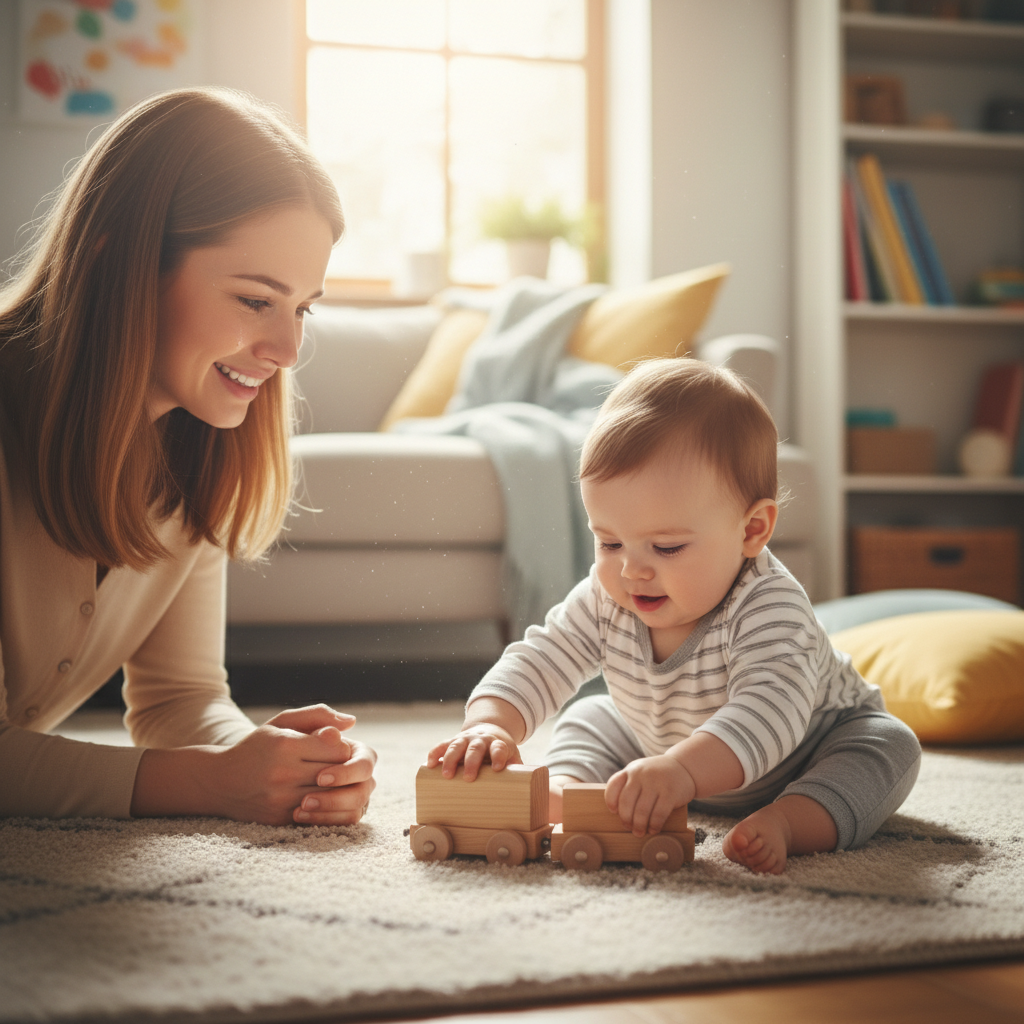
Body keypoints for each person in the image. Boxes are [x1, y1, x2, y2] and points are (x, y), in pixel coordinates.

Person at [0, 87, 376, 825]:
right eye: (254, 300)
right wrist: (206, 784)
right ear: (120, 261)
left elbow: (181, 699)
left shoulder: (197, 451)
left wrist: (265, 764)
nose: (288, 350)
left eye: (302, 308)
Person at [428, 358, 921, 873]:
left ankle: (792, 822)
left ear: (752, 530)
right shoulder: (606, 593)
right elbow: (542, 655)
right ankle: (573, 793)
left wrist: (682, 771)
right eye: (609, 541)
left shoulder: (769, 606)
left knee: (888, 746)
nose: (631, 570)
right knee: (591, 716)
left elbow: (771, 709)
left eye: (666, 547)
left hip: (804, 753)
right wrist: (490, 725)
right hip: (662, 751)